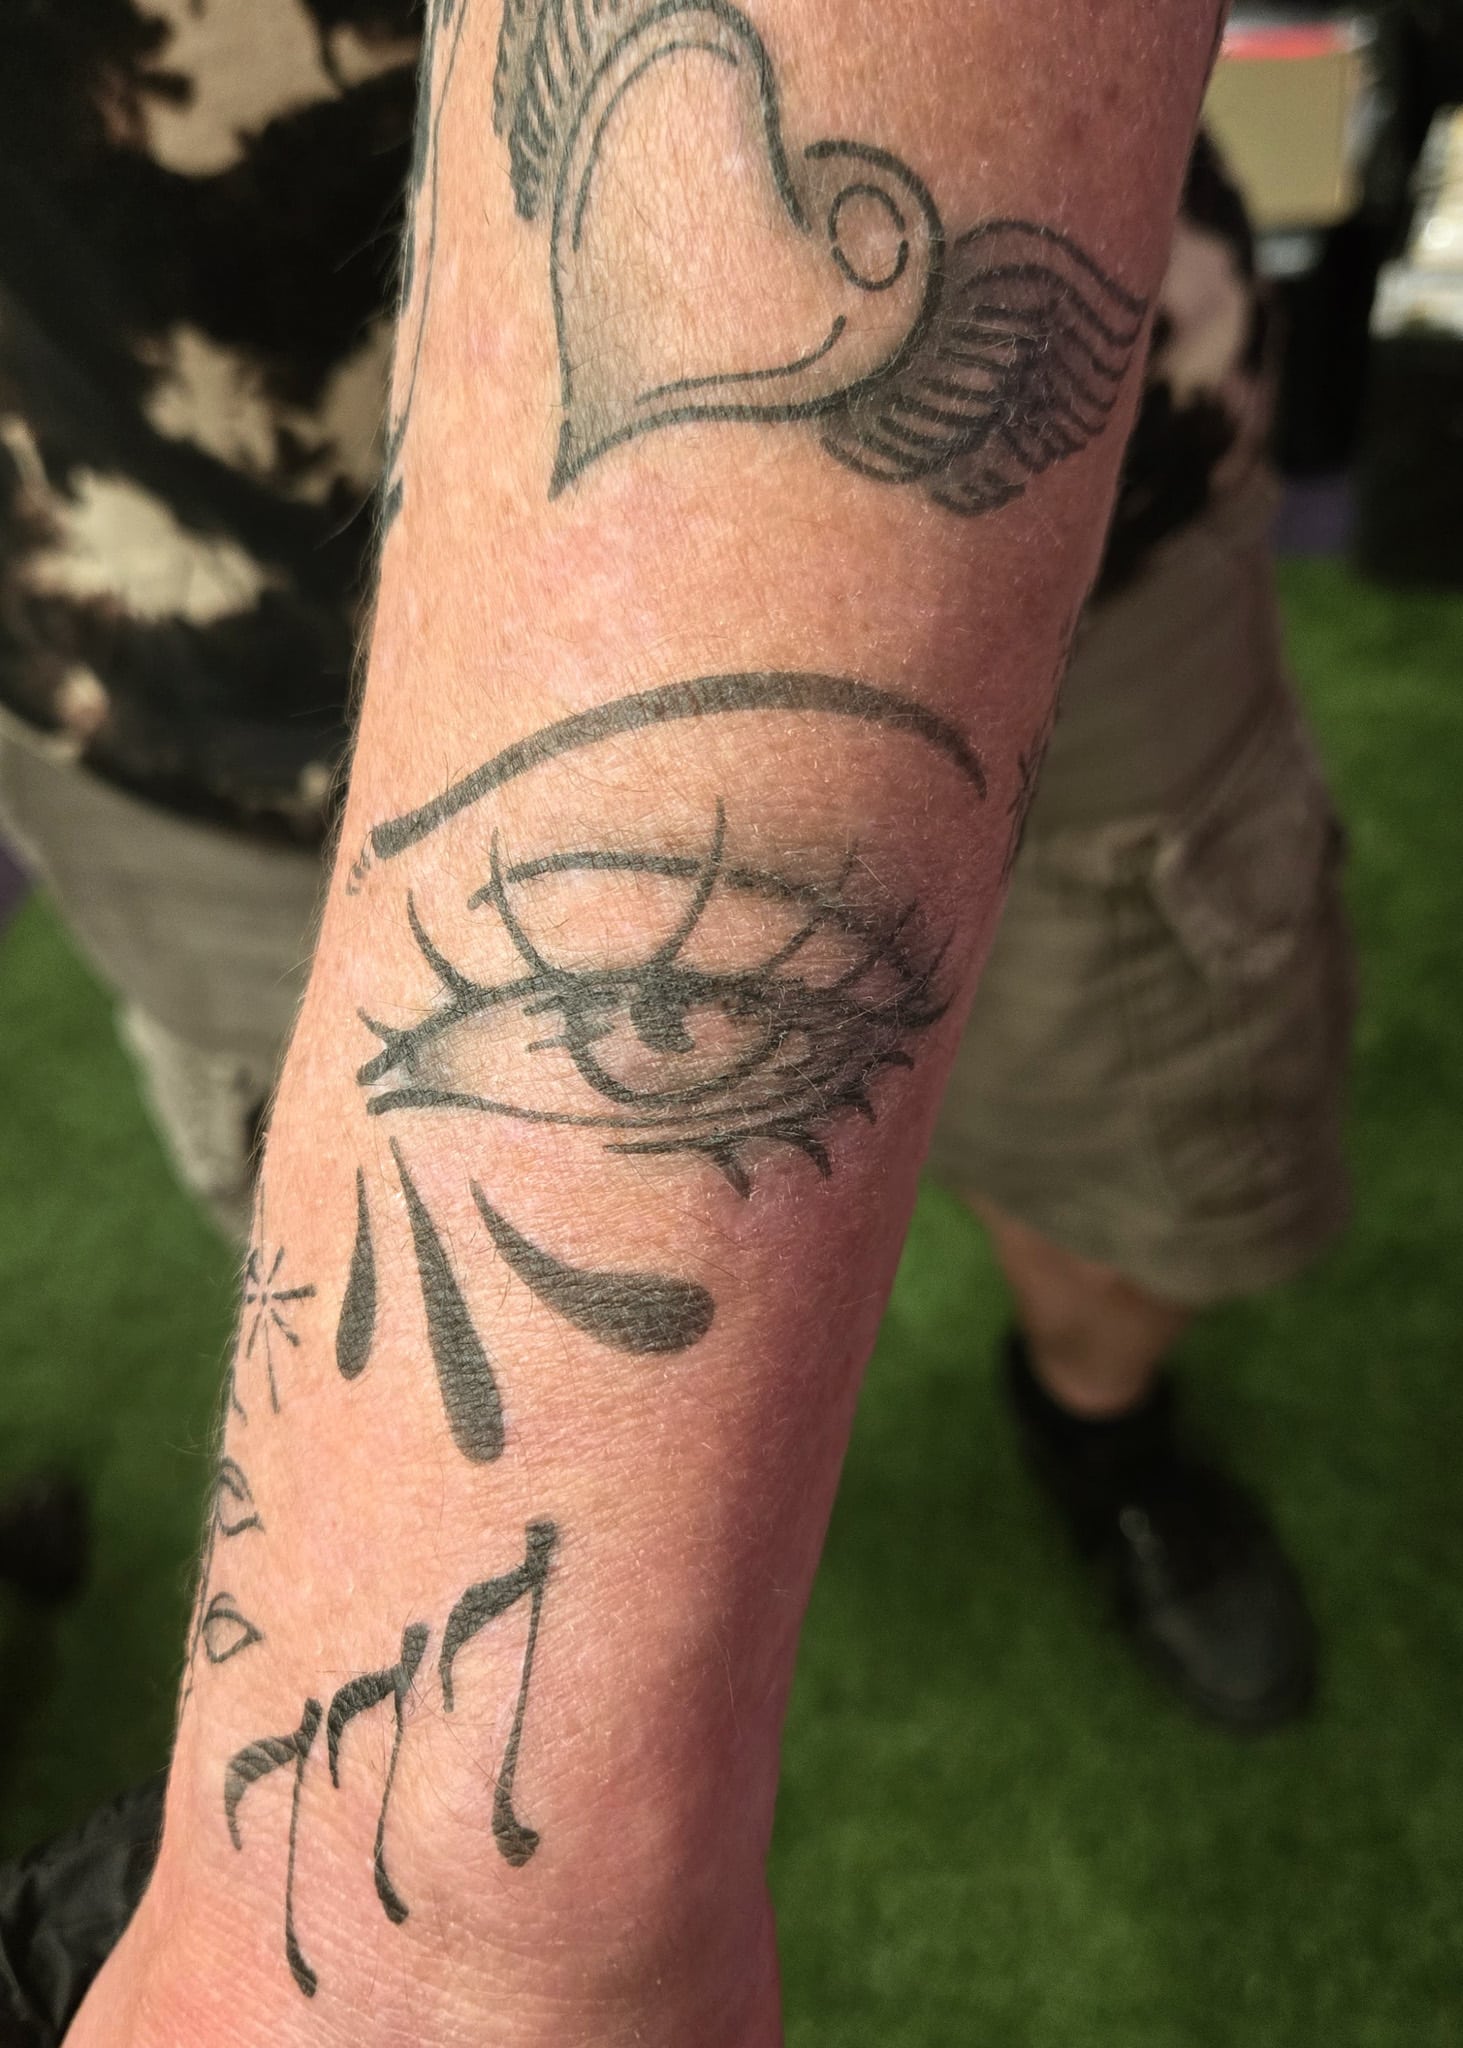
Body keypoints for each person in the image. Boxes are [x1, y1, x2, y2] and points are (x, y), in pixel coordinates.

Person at [0, 3, 1352, 2041]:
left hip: (1028, 554)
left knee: (1136, 1181)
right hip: (146, 613)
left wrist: (454, 1914)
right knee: (315, 1231)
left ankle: (1102, 1431)